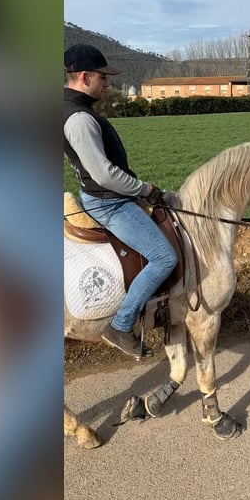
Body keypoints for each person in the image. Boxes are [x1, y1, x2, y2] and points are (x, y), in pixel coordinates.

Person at [63, 43, 177, 357]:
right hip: (109, 203)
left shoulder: (74, 109)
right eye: (103, 77)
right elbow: (104, 174)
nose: (108, 83)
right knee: (164, 257)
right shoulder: (79, 119)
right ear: (84, 76)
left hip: (108, 197)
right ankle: (122, 324)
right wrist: (145, 189)